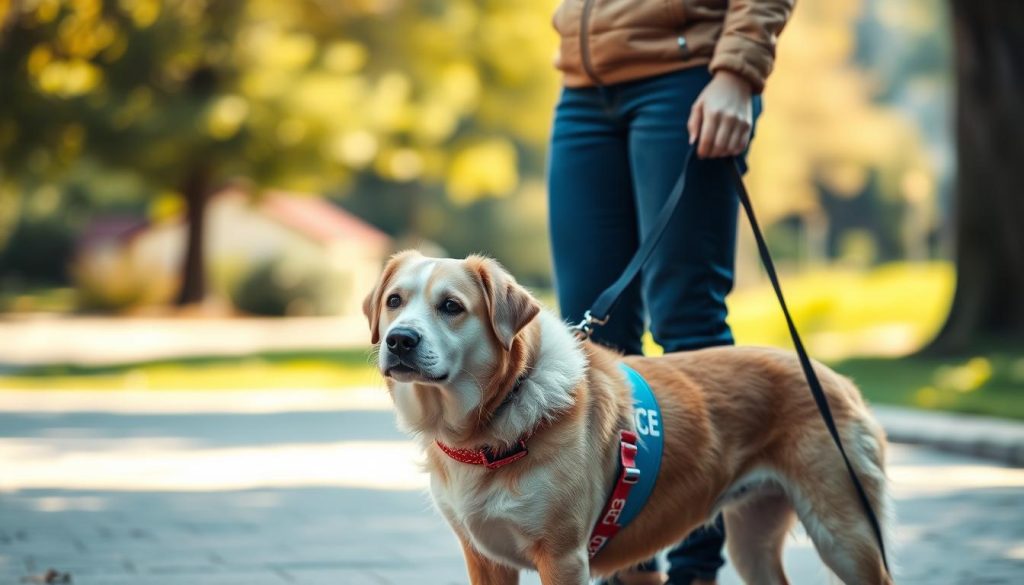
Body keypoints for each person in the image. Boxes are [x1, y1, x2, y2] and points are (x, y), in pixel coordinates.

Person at [546, 1, 795, 584]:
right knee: (591, 344)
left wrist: (737, 71)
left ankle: (694, 570)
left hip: (686, 75)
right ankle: (631, 569)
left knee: (688, 325)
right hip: (583, 86)